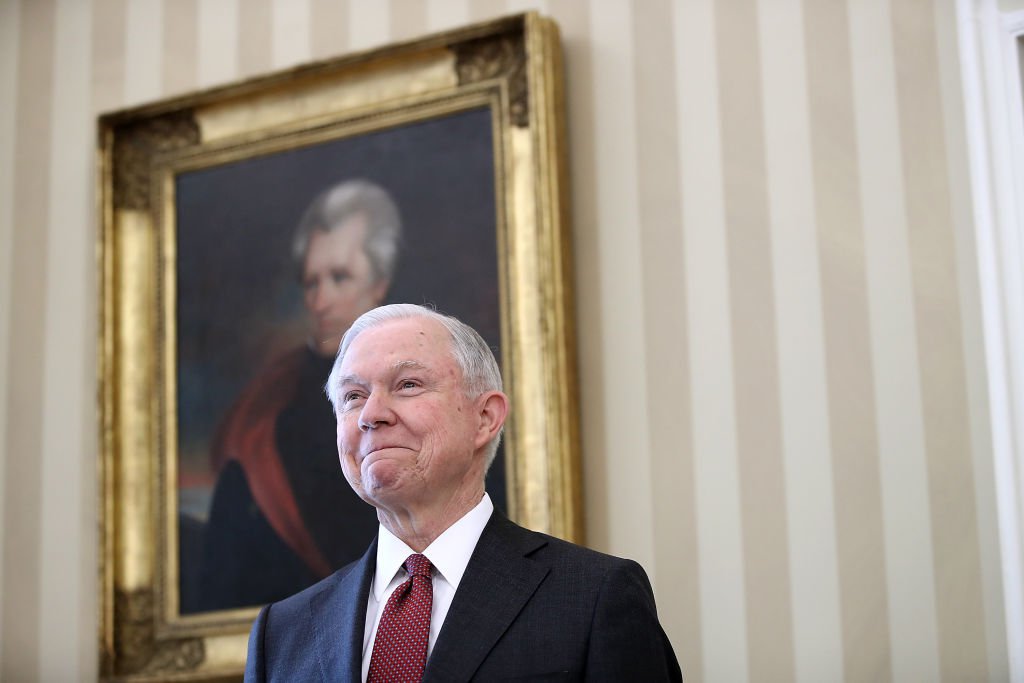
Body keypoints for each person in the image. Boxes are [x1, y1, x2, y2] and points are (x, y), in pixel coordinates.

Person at [244, 304, 682, 681]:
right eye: (353, 396)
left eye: (407, 385)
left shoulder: (595, 596)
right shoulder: (281, 633)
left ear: (486, 418)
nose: (371, 415)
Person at [196, 180, 402, 612]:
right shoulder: (270, 407)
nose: (320, 300)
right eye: (311, 283)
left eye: (339, 278)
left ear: (380, 283)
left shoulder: (427, 385)